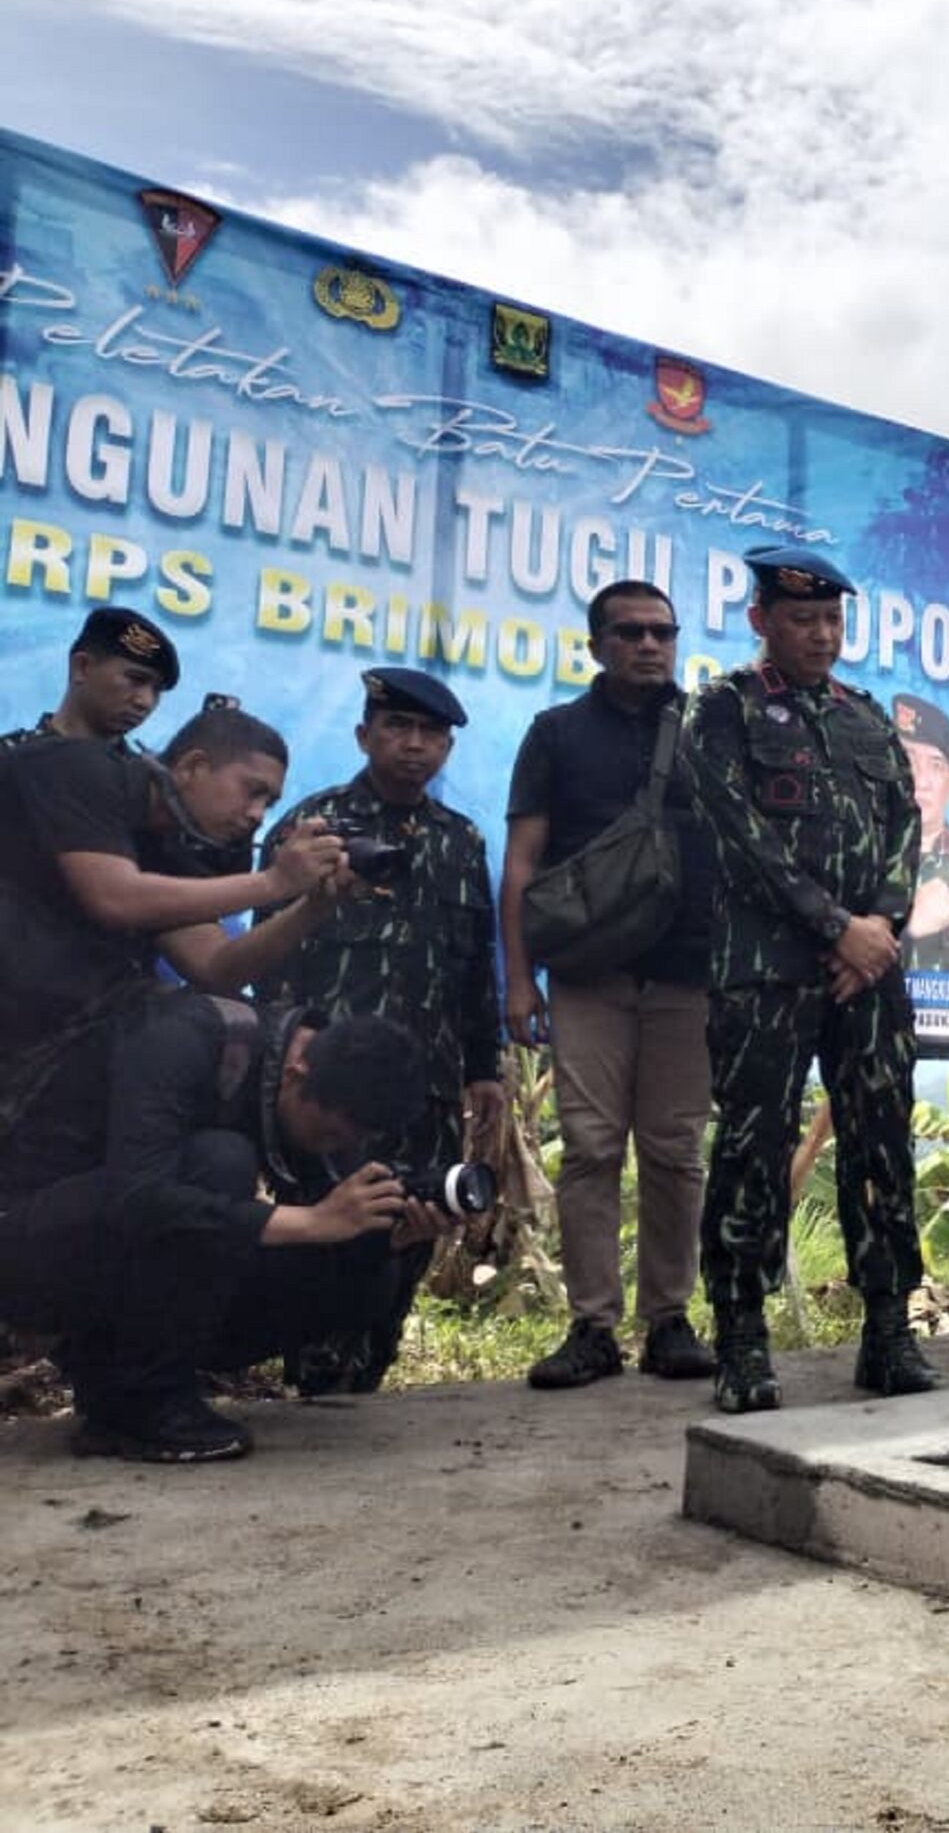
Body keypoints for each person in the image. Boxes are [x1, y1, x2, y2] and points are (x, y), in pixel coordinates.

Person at [686, 549, 938, 1412]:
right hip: (766, 972)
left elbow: (907, 828)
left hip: (868, 974)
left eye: (832, 620)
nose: (821, 634)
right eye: (802, 620)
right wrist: (837, 928)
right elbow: (738, 835)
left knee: (882, 1144)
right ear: (761, 620)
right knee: (754, 1148)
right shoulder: (722, 709)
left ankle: (887, 1331)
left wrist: (879, 929)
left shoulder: (866, 717)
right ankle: (742, 1340)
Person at [0, 994, 430, 1462]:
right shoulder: (182, 1038)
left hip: (119, 1253)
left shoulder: (325, 1088)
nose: (333, 1149)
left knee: (363, 1272)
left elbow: (303, 1238)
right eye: (328, 1136)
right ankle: (143, 1404)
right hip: (26, 1243)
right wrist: (310, 1220)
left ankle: (119, 1385)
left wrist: (382, 1240)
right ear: (296, 1074)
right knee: (221, 1161)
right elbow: (138, 1199)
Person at [254, 668, 505, 1395]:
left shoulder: (461, 842)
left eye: (431, 734)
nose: (414, 746)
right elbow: (270, 959)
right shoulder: (314, 829)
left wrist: (485, 1066)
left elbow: (472, 968)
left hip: (422, 1088)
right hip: (330, 1093)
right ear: (365, 735)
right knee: (327, 1229)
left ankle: (369, 1370)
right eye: (398, 728)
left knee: (414, 1226)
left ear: (448, 748)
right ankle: (316, 1374)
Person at [500, 580, 719, 1391]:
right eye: (629, 632)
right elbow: (522, 863)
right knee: (590, 1150)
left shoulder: (710, 732)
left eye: (663, 631)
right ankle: (592, 1326)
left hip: (688, 976)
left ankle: (670, 1320)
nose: (649, 645)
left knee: (674, 1154)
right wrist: (519, 981)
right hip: (587, 976)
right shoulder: (556, 735)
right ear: (596, 644)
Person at [0, 700, 349, 1183]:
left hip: (48, 1062)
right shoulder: (75, 768)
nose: (256, 815)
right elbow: (114, 897)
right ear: (193, 767)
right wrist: (274, 883)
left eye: (268, 804)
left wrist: (312, 908)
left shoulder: (166, 843)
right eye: (253, 792)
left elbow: (217, 968)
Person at [0, 606, 180, 750]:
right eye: (136, 679)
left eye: (157, 690)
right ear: (82, 667)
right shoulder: (8, 761)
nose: (146, 702)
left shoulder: (150, 786)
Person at [892, 692, 949, 974]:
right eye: (909, 759)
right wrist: (910, 928)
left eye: (936, 765)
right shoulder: (864, 858)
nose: (922, 780)